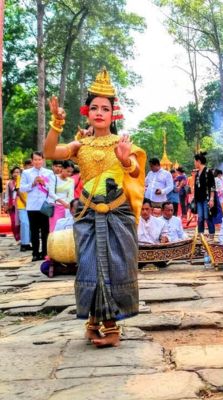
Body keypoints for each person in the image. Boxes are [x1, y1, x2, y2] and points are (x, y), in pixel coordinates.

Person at [43, 67, 146, 348]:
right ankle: (93, 322)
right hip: (88, 213)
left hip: (117, 212)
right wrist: (56, 124)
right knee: (88, 266)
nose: (99, 112)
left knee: (114, 267)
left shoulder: (123, 143)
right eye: (94, 107)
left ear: (115, 113)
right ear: (87, 111)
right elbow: (50, 152)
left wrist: (125, 160)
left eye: (105, 108)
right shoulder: (80, 144)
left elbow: (136, 172)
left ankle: (112, 328)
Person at [20, 151, 56, 262]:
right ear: (32, 161)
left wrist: (44, 183)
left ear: (43, 160)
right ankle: (35, 253)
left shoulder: (49, 173)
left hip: (44, 205)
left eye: (39, 159)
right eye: (35, 160)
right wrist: (33, 183)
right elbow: (22, 188)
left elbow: (52, 189)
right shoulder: (26, 173)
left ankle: (45, 252)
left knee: (45, 231)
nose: (37, 162)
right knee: (34, 231)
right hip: (32, 206)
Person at [192, 153, 217, 236]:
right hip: (199, 199)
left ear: (198, 161)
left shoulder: (208, 171)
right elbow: (195, 187)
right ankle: (201, 235)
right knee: (200, 218)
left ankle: (212, 234)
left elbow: (212, 186)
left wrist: (212, 198)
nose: (194, 163)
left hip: (207, 198)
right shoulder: (197, 173)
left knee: (207, 217)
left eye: (195, 162)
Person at [49, 160, 75, 232]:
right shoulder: (54, 178)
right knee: (55, 228)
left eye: (71, 172)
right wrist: (63, 202)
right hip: (55, 206)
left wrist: (70, 206)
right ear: (62, 169)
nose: (69, 173)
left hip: (67, 208)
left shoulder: (71, 180)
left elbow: (71, 195)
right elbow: (51, 193)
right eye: (68, 171)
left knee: (65, 229)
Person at [16, 161, 32, 251]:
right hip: (22, 204)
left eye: (31, 165)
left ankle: (28, 243)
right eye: (28, 165)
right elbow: (19, 191)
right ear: (25, 166)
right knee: (25, 223)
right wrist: (25, 202)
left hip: (32, 205)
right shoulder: (20, 176)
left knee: (30, 224)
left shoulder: (33, 176)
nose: (30, 167)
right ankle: (24, 243)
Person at [4, 167, 21, 242]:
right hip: (12, 206)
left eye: (18, 172)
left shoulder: (22, 182)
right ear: (12, 173)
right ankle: (17, 237)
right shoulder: (9, 183)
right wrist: (6, 204)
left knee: (21, 222)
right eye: (15, 172)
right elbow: (7, 194)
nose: (16, 174)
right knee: (14, 222)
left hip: (21, 204)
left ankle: (22, 238)